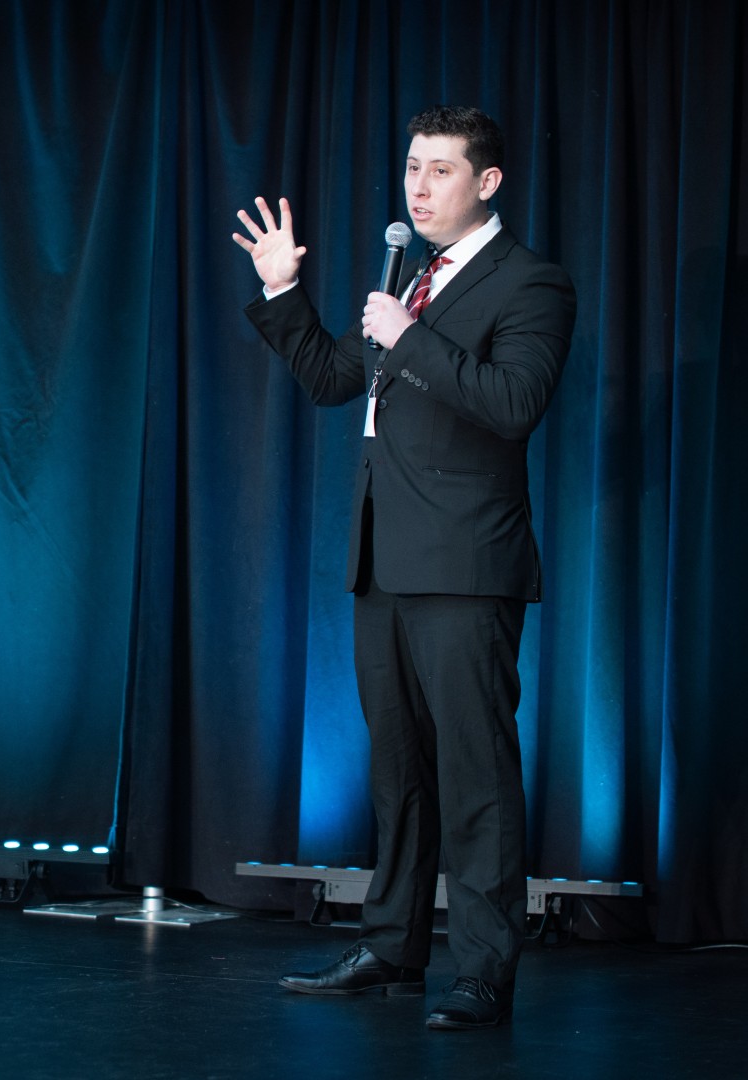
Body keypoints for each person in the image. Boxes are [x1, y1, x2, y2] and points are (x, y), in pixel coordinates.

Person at [231, 105, 575, 1028]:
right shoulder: (412, 280)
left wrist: (407, 335)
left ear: (486, 182)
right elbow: (331, 380)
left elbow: (512, 404)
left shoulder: (528, 282)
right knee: (397, 773)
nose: (418, 188)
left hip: (465, 564)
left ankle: (484, 972)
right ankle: (391, 948)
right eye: (413, 168)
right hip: (382, 561)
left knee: (474, 774)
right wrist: (280, 290)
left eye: (440, 171)